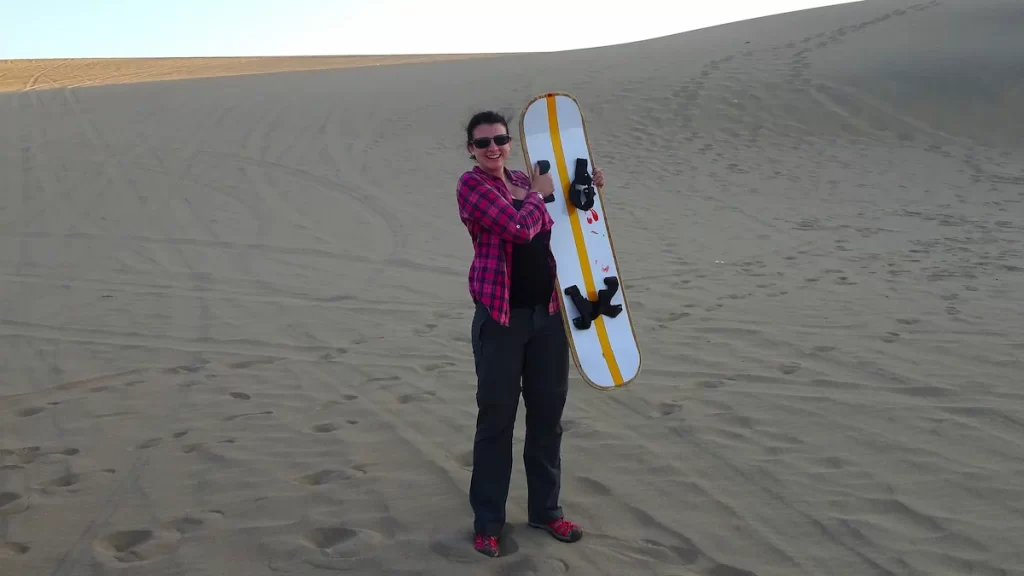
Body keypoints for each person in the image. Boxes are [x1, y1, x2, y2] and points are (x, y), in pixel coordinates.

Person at [455, 110, 605, 558]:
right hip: (501, 320)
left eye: (500, 139)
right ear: (471, 149)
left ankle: (546, 509)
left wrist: (589, 187)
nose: (493, 148)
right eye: (483, 143)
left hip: (548, 318)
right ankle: (488, 521)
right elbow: (520, 229)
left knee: (546, 419)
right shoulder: (472, 186)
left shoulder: (524, 178)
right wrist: (535, 200)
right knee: (496, 423)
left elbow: (561, 215)